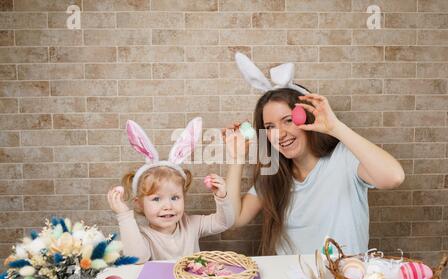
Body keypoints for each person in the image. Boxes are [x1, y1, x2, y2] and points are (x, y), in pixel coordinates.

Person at [223, 53, 405, 256]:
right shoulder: (275, 173)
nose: (280, 134)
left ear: (307, 117)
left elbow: (394, 177)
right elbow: (233, 219)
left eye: (288, 120)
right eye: (270, 126)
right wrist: (236, 157)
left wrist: (336, 127)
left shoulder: (344, 158)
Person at [107, 117, 234, 262]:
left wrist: (222, 197)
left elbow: (224, 222)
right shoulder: (143, 236)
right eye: (156, 199)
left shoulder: (191, 225)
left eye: (175, 197)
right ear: (139, 203)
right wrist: (124, 215)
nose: (168, 206)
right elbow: (136, 258)